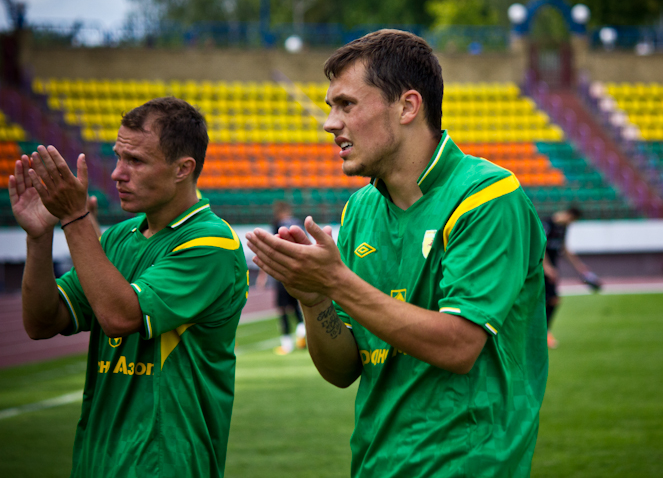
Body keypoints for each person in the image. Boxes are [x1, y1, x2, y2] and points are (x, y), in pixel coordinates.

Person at [247, 29, 548, 477]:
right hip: (374, 465)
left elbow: (459, 345)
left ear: (407, 106)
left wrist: (336, 281)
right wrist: (314, 298)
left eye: (346, 104)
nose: (329, 123)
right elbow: (343, 370)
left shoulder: (488, 197)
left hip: (469, 466)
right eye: (331, 107)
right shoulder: (360, 209)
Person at [9, 97, 248, 478]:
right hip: (97, 458)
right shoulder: (119, 237)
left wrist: (75, 217)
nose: (117, 173)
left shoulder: (211, 243)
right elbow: (43, 322)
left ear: (183, 169)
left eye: (135, 161)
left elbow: (119, 317)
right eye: (119, 157)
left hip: (164, 463)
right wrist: (39, 237)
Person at [541, 206, 601, 349]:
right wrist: (546, 266)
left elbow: (563, 248)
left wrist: (579, 266)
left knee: (551, 300)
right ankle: (543, 333)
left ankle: (543, 332)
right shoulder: (547, 224)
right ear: (569, 216)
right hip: (542, 269)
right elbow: (540, 246)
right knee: (550, 300)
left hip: (552, 270)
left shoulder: (563, 228)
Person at [272, 201, 306, 354]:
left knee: (282, 309)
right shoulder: (297, 224)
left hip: (281, 270)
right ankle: (302, 331)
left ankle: (287, 344)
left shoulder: (277, 224)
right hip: (297, 270)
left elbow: (273, 246)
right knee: (295, 305)